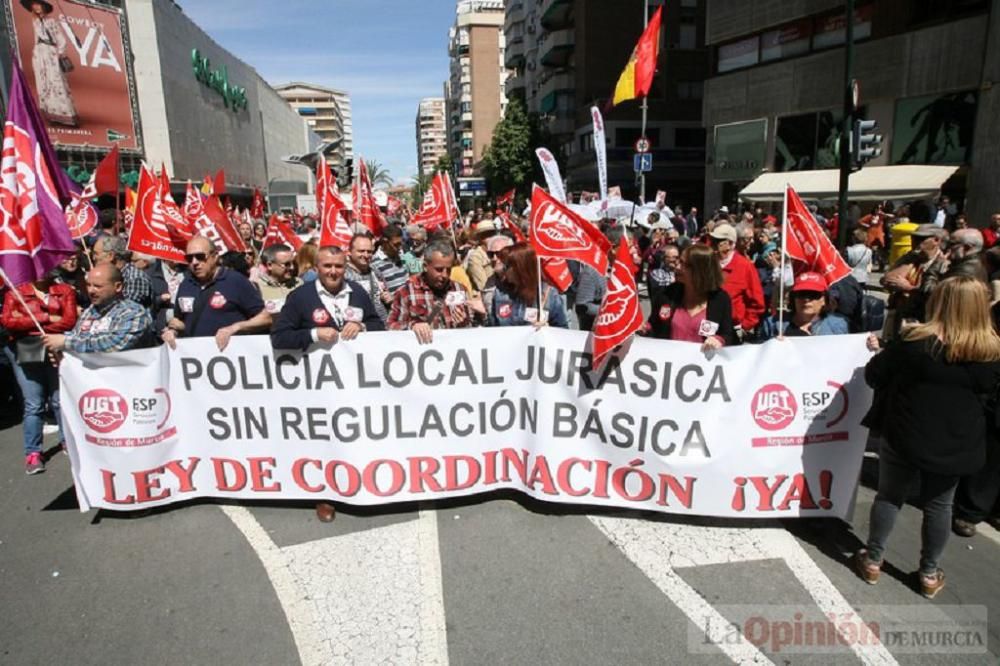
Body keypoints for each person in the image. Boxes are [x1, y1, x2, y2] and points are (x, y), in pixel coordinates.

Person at [858, 277, 1000, 598]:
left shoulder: (914, 341)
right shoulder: (991, 353)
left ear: (940, 302)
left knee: (890, 496)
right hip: (956, 443)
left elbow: (873, 375)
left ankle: (873, 560)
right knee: (940, 506)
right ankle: (929, 573)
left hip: (905, 435)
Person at [1, 269, 77, 474]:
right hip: (27, 350)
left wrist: (26, 317)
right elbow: (8, 321)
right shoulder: (15, 292)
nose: (42, 272)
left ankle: (67, 442)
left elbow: (69, 320)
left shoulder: (65, 290)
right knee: (34, 403)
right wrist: (47, 315)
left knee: (60, 400)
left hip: (55, 347)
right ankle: (33, 452)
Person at [161, 236, 271, 351]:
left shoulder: (235, 281)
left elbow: (265, 318)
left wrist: (236, 327)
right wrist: (172, 332)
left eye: (200, 257)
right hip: (196, 359)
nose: (194, 262)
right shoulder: (186, 284)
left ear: (215, 257)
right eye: (189, 258)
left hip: (231, 357)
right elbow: (180, 321)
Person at [41, 264, 152, 354]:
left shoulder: (133, 313)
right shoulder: (90, 311)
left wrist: (66, 343)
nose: (91, 291)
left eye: (98, 286)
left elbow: (114, 345)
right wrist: (61, 350)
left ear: (118, 287)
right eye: (88, 285)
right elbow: (77, 335)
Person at [387, 240, 481, 343]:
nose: (445, 275)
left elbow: (474, 326)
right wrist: (413, 326)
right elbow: (391, 326)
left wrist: (464, 323)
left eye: (448, 270)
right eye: (439, 270)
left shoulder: (459, 289)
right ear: (425, 266)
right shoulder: (406, 292)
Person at [646, 243, 734, 351]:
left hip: (701, 366)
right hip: (668, 364)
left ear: (700, 270)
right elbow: (653, 325)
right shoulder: (668, 293)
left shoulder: (720, 299)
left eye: (683, 264)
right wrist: (642, 328)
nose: (677, 266)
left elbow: (728, 334)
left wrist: (719, 340)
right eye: (678, 260)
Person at [882, 224, 948, 336]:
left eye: (921, 239)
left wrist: (908, 288)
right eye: (914, 238)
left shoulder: (944, 264)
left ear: (936, 240)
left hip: (925, 320)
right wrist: (909, 261)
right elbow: (887, 280)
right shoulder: (911, 258)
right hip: (902, 315)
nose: (915, 241)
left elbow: (938, 294)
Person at [22, 0, 78, 126]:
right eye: (34, 5)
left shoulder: (52, 21)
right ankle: (49, 114)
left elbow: (60, 38)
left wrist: (59, 52)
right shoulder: (35, 22)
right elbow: (37, 39)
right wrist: (35, 54)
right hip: (39, 53)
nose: (35, 7)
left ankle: (65, 114)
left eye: (38, 4)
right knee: (43, 82)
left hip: (51, 52)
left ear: (43, 6)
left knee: (56, 82)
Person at [487, 243, 567, 328]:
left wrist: (547, 329)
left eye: (507, 267)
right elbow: (492, 327)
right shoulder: (500, 293)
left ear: (521, 268)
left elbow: (563, 329)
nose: (504, 271)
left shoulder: (548, 294)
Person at [709, 223, 764, 342]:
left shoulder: (745, 267)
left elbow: (757, 303)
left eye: (718, 240)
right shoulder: (708, 263)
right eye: (713, 239)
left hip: (732, 330)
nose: (712, 243)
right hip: (708, 326)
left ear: (730, 244)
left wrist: (744, 326)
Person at [93, 235, 154, 309]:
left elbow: (128, 310)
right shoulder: (109, 276)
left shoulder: (135, 278)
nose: (93, 258)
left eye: (96, 254)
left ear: (110, 256)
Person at [780, 272, 849, 337]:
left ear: (824, 300)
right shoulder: (776, 324)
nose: (806, 299)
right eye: (801, 294)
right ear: (793, 298)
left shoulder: (837, 325)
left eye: (813, 294)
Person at [344, 233, 391, 323]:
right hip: (357, 329)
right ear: (349, 252)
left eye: (369, 251)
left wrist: (388, 298)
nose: (366, 255)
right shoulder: (344, 274)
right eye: (361, 251)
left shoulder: (375, 271)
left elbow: (385, 292)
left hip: (381, 325)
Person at [253, 243, 302, 315]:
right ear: (269, 265)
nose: (292, 267)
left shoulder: (299, 283)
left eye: (293, 263)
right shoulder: (257, 287)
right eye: (287, 264)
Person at [371, 225, 409, 295]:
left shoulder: (401, 255)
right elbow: (378, 291)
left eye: (400, 244)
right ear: (385, 242)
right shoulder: (375, 263)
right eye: (396, 244)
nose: (400, 247)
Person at [466, 220, 496, 293]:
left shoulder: (496, 253)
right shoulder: (475, 256)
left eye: (492, 234)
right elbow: (483, 286)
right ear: (480, 237)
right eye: (487, 235)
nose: (491, 237)